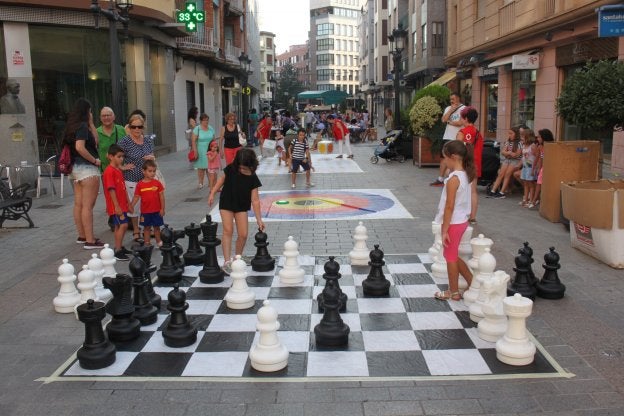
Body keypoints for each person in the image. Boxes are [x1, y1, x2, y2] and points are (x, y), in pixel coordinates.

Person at [208, 148, 264, 274]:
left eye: (245, 168)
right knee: (228, 230)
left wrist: (259, 220)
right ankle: (227, 261)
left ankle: (237, 257)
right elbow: (221, 180)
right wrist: (212, 192)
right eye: (241, 167)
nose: (243, 170)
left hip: (241, 206)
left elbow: (255, 200)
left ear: (252, 166)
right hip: (227, 201)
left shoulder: (253, 178)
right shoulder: (231, 169)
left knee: (243, 234)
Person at [433, 140, 474, 301]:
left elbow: (449, 206)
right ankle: (472, 281)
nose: (444, 161)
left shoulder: (453, 179)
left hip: (454, 223)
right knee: (453, 255)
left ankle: (453, 292)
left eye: (445, 158)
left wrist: (444, 230)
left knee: (450, 257)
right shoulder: (465, 175)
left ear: (454, 157)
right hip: (461, 221)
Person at [63, 98, 103, 249]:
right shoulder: (82, 127)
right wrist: (94, 160)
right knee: (87, 206)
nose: (91, 114)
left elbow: (95, 141)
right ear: (86, 111)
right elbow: (80, 147)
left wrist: (91, 124)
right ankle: (90, 240)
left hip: (75, 170)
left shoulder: (71, 127)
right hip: (87, 170)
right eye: (90, 111)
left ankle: (82, 236)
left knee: (78, 205)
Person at [118, 113, 155, 242]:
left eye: (139, 127)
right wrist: (122, 167)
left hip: (147, 179)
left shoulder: (147, 140)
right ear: (129, 127)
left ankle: (147, 228)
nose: (137, 130)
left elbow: (152, 155)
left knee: (148, 204)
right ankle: (135, 230)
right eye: (134, 127)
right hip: (132, 178)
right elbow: (111, 155)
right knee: (135, 205)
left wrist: (152, 158)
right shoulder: (125, 141)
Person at [102, 144, 132, 260]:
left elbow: (123, 188)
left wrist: (128, 203)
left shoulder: (118, 170)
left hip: (122, 205)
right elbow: (111, 189)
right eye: (119, 157)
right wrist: (117, 206)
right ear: (110, 157)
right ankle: (118, 250)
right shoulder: (109, 171)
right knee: (123, 225)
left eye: (122, 157)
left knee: (119, 226)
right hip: (116, 206)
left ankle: (119, 246)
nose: (121, 159)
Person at [430, 93, 465, 186]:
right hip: (447, 136)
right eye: (450, 99)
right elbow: (443, 120)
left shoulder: (463, 109)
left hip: (457, 138)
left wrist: (449, 121)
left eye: (453, 99)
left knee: (454, 158)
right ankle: (440, 179)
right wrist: (451, 110)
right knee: (443, 158)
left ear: (458, 98)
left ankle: (452, 178)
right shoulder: (447, 108)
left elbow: (460, 123)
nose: (451, 101)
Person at [456, 106, 483, 224]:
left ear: (466, 118)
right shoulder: (478, 133)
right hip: (475, 164)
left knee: (460, 190)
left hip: (463, 164)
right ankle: (473, 217)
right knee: (473, 191)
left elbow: (456, 150)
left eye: (461, 118)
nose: (460, 120)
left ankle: (460, 214)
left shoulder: (462, 132)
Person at [130, 159, 165, 248]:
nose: (152, 173)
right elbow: (136, 197)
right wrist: (131, 205)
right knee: (146, 228)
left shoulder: (157, 183)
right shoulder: (140, 185)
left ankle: (159, 241)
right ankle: (147, 243)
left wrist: (162, 209)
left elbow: (162, 197)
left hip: (156, 211)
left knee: (157, 228)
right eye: (150, 171)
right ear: (143, 171)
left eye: (154, 171)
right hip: (145, 212)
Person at [487, 127, 522, 199]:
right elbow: (503, 152)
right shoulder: (508, 142)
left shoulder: (519, 143)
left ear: (516, 134)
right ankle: (493, 190)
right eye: (509, 133)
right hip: (507, 159)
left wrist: (508, 153)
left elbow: (517, 155)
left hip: (515, 161)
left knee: (507, 174)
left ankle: (502, 192)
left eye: (511, 133)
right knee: (500, 174)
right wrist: (509, 153)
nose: (509, 135)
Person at [529, 128, 554, 209]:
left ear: (544, 137)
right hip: (543, 168)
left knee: (542, 185)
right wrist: (534, 169)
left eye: (539, 137)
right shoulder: (540, 147)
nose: (537, 139)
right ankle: (534, 200)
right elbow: (538, 158)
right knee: (539, 184)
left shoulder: (551, 146)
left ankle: (536, 200)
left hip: (550, 168)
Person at [96, 107, 126, 171]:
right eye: (103, 116)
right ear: (100, 118)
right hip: (103, 171)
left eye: (108, 115)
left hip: (120, 170)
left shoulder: (121, 130)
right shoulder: (96, 132)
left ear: (114, 117)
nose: (106, 118)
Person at [514, 129, 538, 208]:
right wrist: (518, 165)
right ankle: (525, 199)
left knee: (530, 184)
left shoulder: (533, 146)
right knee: (525, 184)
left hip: (530, 168)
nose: (521, 138)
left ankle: (531, 200)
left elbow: (537, 158)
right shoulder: (524, 146)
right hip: (525, 167)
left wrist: (534, 169)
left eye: (523, 136)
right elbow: (523, 158)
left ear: (528, 137)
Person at [191, 113, 215, 189]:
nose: (206, 122)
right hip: (200, 149)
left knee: (209, 167)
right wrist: (195, 151)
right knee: (201, 167)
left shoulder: (211, 128)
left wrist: (215, 149)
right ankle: (200, 182)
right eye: (204, 120)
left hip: (209, 149)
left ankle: (210, 182)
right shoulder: (197, 129)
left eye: (207, 120)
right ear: (201, 121)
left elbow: (213, 139)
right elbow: (193, 141)